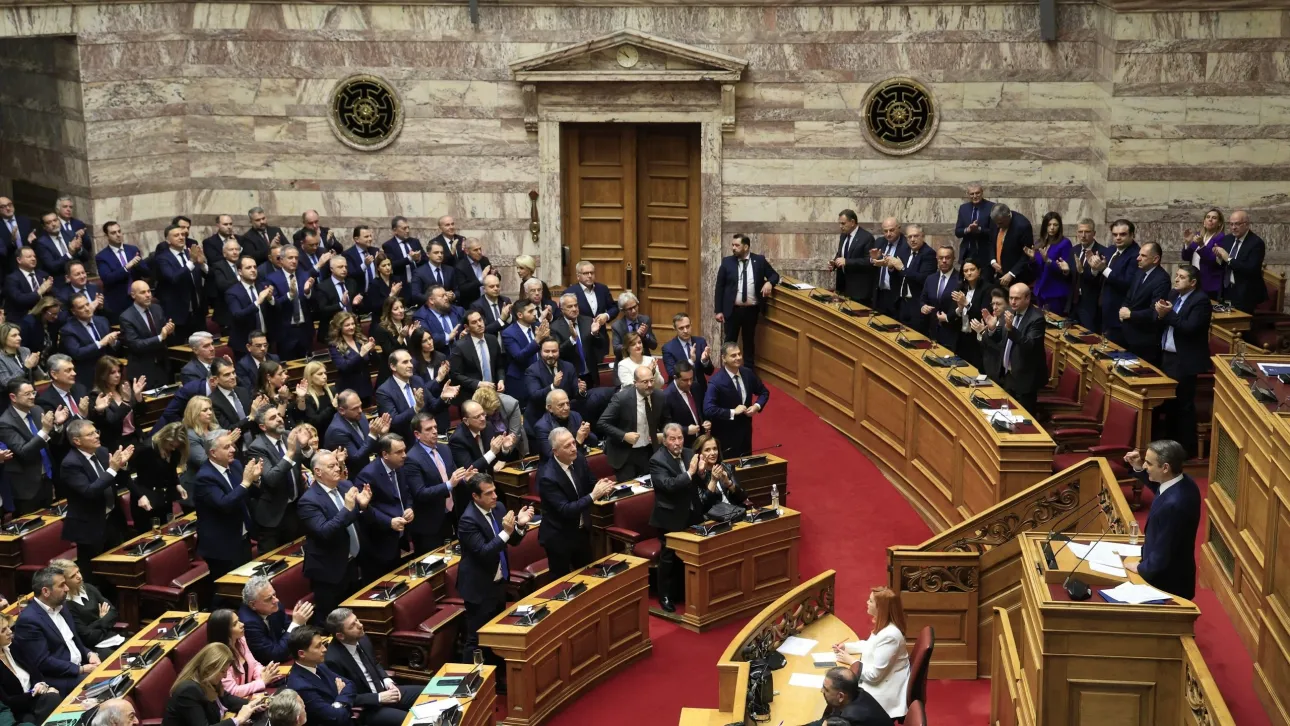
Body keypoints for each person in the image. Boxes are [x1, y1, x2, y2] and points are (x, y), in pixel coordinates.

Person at [455, 474, 533, 666]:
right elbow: (485, 552)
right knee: (476, 639)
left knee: (495, 635)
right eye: (489, 493)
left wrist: (519, 526)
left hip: (499, 582)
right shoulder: (467, 521)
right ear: (475, 496)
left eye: (494, 491)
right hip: (479, 587)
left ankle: (495, 675)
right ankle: (469, 683)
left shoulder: (498, 508)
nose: (495, 496)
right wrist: (507, 531)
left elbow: (511, 541)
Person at [298, 450, 371, 626]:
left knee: (352, 616)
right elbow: (324, 531)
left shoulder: (345, 486)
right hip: (328, 571)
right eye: (331, 466)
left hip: (351, 562)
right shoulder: (308, 501)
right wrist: (347, 509)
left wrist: (362, 507)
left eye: (337, 464)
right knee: (333, 622)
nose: (337, 469)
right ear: (318, 472)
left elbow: (352, 519)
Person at [1124, 441, 1201, 599]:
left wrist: (1140, 568)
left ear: (1165, 467)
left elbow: (1164, 551)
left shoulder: (1175, 505)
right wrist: (1138, 467)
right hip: (1171, 572)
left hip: (1166, 583)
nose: (1145, 466)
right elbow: (1159, 488)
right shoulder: (1184, 483)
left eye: (1148, 463)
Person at [60, 419, 135, 582]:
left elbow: (117, 481)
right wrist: (112, 469)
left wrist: (121, 466)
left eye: (96, 432)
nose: (96, 436)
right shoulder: (70, 464)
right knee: (94, 575)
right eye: (90, 434)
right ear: (77, 441)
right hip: (89, 527)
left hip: (112, 520)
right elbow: (90, 491)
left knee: (117, 569)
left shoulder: (102, 451)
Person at [648, 424, 712, 612]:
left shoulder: (688, 453)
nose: (677, 443)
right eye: (672, 439)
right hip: (670, 517)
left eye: (680, 438)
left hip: (692, 513)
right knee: (668, 558)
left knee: (693, 554)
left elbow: (698, 483)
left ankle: (688, 592)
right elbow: (668, 485)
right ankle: (665, 596)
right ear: (665, 440)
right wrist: (691, 473)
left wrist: (700, 472)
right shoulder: (657, 460)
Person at [538, 427, 615, 577]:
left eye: (573, 442)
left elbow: (591, 482)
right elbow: (565, 510)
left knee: (588, 575)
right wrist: (594, 495)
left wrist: (604, 487)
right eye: (567, 446)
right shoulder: (547, 477)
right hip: (559, 537)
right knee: (562, 583)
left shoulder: (578, 459)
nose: (574, 448)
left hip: (581, 531)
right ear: (555, 451)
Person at [323, 608, 420, 725]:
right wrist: (379, 698)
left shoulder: (362, 638)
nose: (360, 625)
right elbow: (344, 696)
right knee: (413, 721)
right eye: (352, 625)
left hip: (386, 691)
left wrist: (387, 680)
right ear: (341, 636)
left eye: (357, 620)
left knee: (431, 693)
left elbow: (374, 663)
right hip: (368, 707)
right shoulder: (333, 660)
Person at [12, 566, 98, 695]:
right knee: (98, 684)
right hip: (60, 678)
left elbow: (74, 640)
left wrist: (89, 654)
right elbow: (43, 662)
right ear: (46, 591)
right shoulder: (29, 621)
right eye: (62, 585)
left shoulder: (62, 606)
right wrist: (81, 669)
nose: (67, 589)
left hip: (81, 665)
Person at [1155, 265, 1212, 458]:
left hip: (1185, 359)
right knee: (1169, 403)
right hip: (1167, 356)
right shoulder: (1173, 295)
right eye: (1176, 276)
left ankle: (1186, 449)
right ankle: (1170, 447)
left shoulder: (1201, 301)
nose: (1176, 279)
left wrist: (1168, 314)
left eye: (1181, 277)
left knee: (1183, 405)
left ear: (1193, 282)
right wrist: (1159, 313)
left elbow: (1189, 328)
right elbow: (1164, 319)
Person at [195, 429, 263, 586]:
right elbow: (224, 504)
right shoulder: (205, 477)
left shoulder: (236, 465)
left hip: (242, 538)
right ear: (213, 452)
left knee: (246, 587)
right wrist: (246, 482)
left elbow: (248, 493)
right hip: (221, 546)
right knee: (226, 590)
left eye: (232, 445)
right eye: (226, 447)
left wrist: (255, 480)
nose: (233, 449)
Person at [832, 587, 912, 719]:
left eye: (870, 601)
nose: (867, 603)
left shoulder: (890, 636)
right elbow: (870, 646)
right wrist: (846, 647)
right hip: (881, 682)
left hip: (883, 694)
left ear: (880, 608)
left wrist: (851, 661)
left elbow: (874, 676)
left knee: (840, 694)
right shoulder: (885, 626)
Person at [162, 642, 266, 726]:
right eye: (223, 671)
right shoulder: (188, 690)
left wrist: (254, 705)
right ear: (209, 668)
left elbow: (227, 699)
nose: (225, 676)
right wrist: (238, 720)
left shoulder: (209, 679)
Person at [0, 379, 65, 514]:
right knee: (32, 528)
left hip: (46, 478)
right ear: (13, 397)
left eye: (33, 392)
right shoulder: (5, 422)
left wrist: (57, 426)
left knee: (51, 522)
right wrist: (45, 430)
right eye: (27, 394)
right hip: (26, 487)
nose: (32, 397)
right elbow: (24, 452)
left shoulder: (36, 410)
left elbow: (53, 442)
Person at [355, 435, 415, 579]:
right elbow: (365, 509)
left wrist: (409, 507)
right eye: (399, 452)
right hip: (379, 541)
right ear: (385, 454)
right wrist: (389, 522)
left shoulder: (399, 467)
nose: (404, 455)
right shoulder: (367, 475)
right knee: (384, 582)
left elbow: (406, 492)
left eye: (404, 450)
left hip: (399, 534)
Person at [714, 233, 779, 365]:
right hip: (732, 310)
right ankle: (726, 370)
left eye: (737, 245)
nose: (733, 248)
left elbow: (774, 275)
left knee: (749, 341)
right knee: (730, 341)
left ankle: (749, 372)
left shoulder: (759, 260)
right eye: (732, 245)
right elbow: (719, 287)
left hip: (751, 310)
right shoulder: (727, 262)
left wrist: (769, 283)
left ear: (746, 247)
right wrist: (718, 310)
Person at [247, 406, 305, 551]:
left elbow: (305, 462)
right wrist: (290, 453)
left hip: (295, 508)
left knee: (298, 553)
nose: (279, 419)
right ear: (262, 426)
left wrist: (306, 448)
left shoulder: (288, 436)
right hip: (272, 516)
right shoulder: (257, 447)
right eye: (273, 418)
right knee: (274, 563)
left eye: (279, 415)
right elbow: (271, 478)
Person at [404, 413, 464, 552]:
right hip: (429, 524)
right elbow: (420, 493)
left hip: (450, 515)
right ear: (417, 434)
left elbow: (453, 474)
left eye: (435, 427)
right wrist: (449, 484)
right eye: (429, 429)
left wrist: (465, 477)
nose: (435, 431)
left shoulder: (444, 448)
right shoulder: (412, 458)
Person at [597, 366, 666, 480]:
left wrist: (663, 433)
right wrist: (624, 436)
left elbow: (666, 420)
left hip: (649, 451)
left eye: (651, 380)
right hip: (625, 454)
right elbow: (602, 423)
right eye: (645, 382)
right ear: (635, 383)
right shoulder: (621, 398)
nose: (649, 385)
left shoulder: (659, 396)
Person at [703, 343, 769, 459]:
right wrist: (733, 412)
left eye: (739, 354)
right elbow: (708, 409)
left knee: (745, 468)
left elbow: (764, 392)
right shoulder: (716, 382)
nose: (738, 358)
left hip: (745, 433)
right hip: (726, 436)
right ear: (724, 358)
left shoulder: (747, 373)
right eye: (733, 355)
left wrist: (756, 406)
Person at [284, 626, 360, 726]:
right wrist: (340, 698)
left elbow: (350, 685)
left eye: (323, 643)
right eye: (318, 646)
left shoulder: (319, 665)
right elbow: (335, 718)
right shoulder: (300, 686)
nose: (324, 649)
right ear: (302, 654)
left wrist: (335, 704)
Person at [49, 559, 120, 659]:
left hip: (113, 637)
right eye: (73, 576)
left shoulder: (89, 588)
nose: (79, 576)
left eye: (78, 571)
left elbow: (113, 613)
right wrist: (103, 621)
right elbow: (87, 637)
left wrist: (95, 625)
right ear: (64, 582)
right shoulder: (67, 605)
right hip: (94, 649)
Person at [237, 576, 314, 666]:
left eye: (274, 594)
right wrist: (296, 624)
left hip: (286, 652)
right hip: (269, 667)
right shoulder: (249, 623)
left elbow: (287, 629)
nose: (276, 600)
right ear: (253, 605)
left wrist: (298, 624)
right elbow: (275, 654)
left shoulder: (274, 606)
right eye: (269, 599)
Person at [1117, 241, 1171, 366]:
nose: (1138, 258)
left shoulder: (1162, 279)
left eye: (1143, 256)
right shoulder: (1140, 272)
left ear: (1155, 259)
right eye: (1139, 254)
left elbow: (1154, 311)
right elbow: (1129, 296)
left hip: (1145, 339)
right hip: (1128, 333)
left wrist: (1130, 315)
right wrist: (1123, 308)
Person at [994, 283, 1046, 414]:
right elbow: (1000, 339)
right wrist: (991, 329)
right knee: (1006, 415)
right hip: (1008, 375)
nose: (1012, 301)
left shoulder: (1037, 318)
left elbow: (1029, 345)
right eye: (1011, 298)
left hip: (1025, 380)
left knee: (1023, 420)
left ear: (1027, 298)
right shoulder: (1010, 311)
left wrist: (1011, 329)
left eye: (1017, 298)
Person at [0, 612, 59, 724]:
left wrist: (41, 685)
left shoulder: (13, 646)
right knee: (31, 719)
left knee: (53, 698)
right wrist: (35, 693)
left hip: (35, 700)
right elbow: (7, 701)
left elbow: (35, 673)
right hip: (17, 711)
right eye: (3, 630)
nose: (10, 631)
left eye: (8, 627)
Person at [1090, 219, 1141, 347]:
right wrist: (1094, 268)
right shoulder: (1111, 250)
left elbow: (1126, 282)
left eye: (1122, 234)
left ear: (1132, 235)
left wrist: (1103, 269)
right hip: (1103, 310)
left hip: (1119, 314)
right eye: (1115, 234)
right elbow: (1100, 276)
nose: (1118, 238)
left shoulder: (1136, 254)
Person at [153, 224, 208, 343]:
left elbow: (209, 276)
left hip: (197, 311)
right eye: (176, 235)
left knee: (203, 345)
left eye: (183, 234)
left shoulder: (191, 253)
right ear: (168, 240)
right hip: (177, 314)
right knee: (179, 349)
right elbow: (173, 278)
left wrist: (202, 264)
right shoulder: (162, 258)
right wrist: (191, 262)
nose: (181, 237)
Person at [131, 422, 189, 533]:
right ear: (163, 437)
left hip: (164, 499)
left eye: (176, 446)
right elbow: (126, 476)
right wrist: (140, 495)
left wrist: (177, 484)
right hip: (146, 502)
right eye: (171, 445)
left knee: (169, 532)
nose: (173, 449)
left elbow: (170, 469)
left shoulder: (175, 450)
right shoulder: (145, 449)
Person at [206, 608, 276, 698]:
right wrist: (262, 682)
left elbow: (254, 664)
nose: (242, 624)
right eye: (235, 624)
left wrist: (263, 673)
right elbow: (232, 691)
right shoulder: (218, 658)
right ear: (223, 631)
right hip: (235, 704)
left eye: (238, 620)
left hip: (251, 694)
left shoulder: (240, 640)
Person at [266, 245, 316, 361]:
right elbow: (274, 305)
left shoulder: (305, 275)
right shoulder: (272, 278)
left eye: (296, 258)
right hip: (285, 333)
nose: (294, 261)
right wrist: (289, 295)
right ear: (281, 260)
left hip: (305, 330)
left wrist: (308, 292)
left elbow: (314, 303)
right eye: (290, 258)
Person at [324, 391, 390, 474]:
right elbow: (356, 458)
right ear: (341, 410)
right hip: (352, 475)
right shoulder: (337, 431)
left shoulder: (360, 416)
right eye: (355, 408)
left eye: (360, 406)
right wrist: (373, 434)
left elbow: (370, 446)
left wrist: (380, 434)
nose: (360, 410)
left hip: (368, 467)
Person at [60, 292, 118, 386]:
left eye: (87, 304)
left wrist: (113, 343)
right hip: (87, 377)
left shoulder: (102, 321)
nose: (87, 309)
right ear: (74, 311)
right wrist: (100, 343)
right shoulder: (68, 330)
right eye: (81, 307)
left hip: (108, 373)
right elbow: (77, 353)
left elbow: (112, 348)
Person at [89, 356, 146, 452]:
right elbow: (112, 422)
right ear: (103, 375)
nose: (117, 375)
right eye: (112, 372)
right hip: (117, 444)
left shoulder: (124, 388)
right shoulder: (97, 395)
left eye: (119, 371)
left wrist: (138, 396)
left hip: (135, 438)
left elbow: (142, 414)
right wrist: (126, 402)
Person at [1216, 209, 1267, 313]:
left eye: (1237, 224)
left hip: (1245, 293)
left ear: (1247, 224)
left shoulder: (1256, 243)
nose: (1233, 227)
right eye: (1231, 224)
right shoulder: (1227, 239)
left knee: (1240, 325)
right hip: (1226, 289)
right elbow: (1223, 266)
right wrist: (1219, 258)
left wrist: (1228, 259)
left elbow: (1251, 269)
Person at [804, 667, 890, 726]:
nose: (821, 690)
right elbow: (827, 719)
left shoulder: (850, 719)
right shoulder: (857, 693)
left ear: (841, 696)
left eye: (826, 689)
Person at [450, 310, 505, 402]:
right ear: (467, 327)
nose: (479, 324)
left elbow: (500, 366)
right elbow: (456, 375)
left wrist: (501, 380)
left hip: (493, 393)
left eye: (480, 320)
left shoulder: (492, 340)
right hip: (472, 395)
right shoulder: (460, 346)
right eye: (474, 322)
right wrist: (478, 383)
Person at [501, 300, 549, 401]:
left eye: (535, 310)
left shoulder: (538, 326)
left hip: (541, 377)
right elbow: (519, 357)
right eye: (530, 311)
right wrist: (537, 340)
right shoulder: (508, 333)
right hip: (521, 379)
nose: (535, 313)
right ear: (520, 315)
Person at [525, 336, 580, 423]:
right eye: (547, 351)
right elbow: (535, 396)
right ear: (540, 352)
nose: (550, 355)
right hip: (542, 417)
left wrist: (581, 391)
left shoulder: (568, 367)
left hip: (566, 416)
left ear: (559, 351)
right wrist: (553, 386)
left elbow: (575, 394)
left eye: (554, 351)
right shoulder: (532, 370)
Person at [1029, 212, 1076, 314]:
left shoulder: (1065, 243)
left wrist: (1048, 260)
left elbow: (1065, 271)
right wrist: (1032, 259)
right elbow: (1037, 271)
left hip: (1055, 293)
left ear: (1060, 227)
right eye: (1049, 225)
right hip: (1040, 292)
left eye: (1055, 225)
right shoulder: (1039, 243)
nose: (1052, 228)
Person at [533, 389, 598, 463]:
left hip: (579, 463)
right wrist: (578, 441)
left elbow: (594, 442)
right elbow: (551, 456)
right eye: (561, 405)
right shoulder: (542, 427)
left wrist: (587, 434)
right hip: (556, 470)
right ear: (550, 408)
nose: (566, 408)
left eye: (568, 403)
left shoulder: (575, 416)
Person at [830, 209, 879, 306]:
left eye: (843, 223)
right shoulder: (843, 236)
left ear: (852, 222)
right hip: (843, 287)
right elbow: (841, 254)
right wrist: (834, 263)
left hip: (859, 290)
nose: (841, 226)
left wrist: (847, 262)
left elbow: (869, 261)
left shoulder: (866, 237)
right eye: (840, 223)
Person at [690, 433, 749, 514]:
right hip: (714, 518)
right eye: (707, 450)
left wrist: (728, 483)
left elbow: (743, 497)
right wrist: (713, 481)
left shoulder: (727, 467)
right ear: (699, 454)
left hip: (736, 512)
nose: (713, 453)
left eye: (715, 449)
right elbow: (703, 507)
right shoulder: (695, 474)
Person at [661, 313, 713, 403]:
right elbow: (672, 373)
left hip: (701, 389)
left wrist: (705, 361)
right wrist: (690, 361)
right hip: (680, 392)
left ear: (691, 325)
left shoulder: (700, 342)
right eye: (681, 328)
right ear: (675, 329)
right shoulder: (668, 348)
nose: (685, 330)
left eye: (687, 326)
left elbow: (710, 372)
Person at [328, 312, 377, 404]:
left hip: (365, 388)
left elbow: (376, 363)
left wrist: (372, 351)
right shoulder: (334, 346)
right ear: (339, 327)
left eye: (353, 324)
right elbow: (343, 367)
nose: (351, 327)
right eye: (347, 325)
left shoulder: (361, 339)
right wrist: (361, 354)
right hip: (348, 391)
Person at [919, 245, 961, 350]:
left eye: (947, 258)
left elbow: (960, 307)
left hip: (952, 332)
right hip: (932, 332)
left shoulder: (960, 280)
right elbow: (922, 300)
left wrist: (948, 317)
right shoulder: (931, 279)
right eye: (941, 258)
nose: (944, 261)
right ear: (937, 259)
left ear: (953, 259)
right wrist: (923, 306)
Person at [1180, 208, 1228, 298]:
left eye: (1214, 218)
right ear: (1204, 221)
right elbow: (1185, 257)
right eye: (1208, 217)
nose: (1210, 219)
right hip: (1193, 280)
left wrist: (1201, 245)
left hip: (1209, 283)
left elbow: (1213, 260)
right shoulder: (1199, 234)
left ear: (1219, 223)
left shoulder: (1221, 238)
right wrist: (1187, 243)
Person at [951, 260, 991, 371]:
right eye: (965, 271)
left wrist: (967, 304)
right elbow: (951, 315)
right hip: (961, 337)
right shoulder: (959, 289)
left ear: (979, 271)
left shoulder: (987, 289)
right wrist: (959, 309)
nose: (969, 273)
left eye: (972, 270)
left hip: (976, 339)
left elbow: (983, 316)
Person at [314, 257, 362, 346]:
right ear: (331, 269)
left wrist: (356, 303)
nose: (344, 269)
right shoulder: (323, 287)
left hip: (352, 330)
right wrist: (341, 304)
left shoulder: (351, 283)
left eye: (345, 267)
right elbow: (322, 310)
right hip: (332, 332)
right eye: (340, 267)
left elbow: (356, 308)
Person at [987, 203, 1035, 288]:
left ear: (1008, 216)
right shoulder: (995, 219)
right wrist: (993, 260)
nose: (998, 226)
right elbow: (991, 241)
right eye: (996, 223)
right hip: (998, 275)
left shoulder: (1023, 226)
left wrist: (1012, 273)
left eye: (1000, 223)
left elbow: (1027, 255)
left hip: (1018, 277)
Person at [371, 297, 416, 387]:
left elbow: (411, 350)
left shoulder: (407, 323)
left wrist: (413, 336)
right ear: (389, 311)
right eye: (396, 309)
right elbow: (390, 354)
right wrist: (401, 337)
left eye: (401, 307)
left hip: (407, 371)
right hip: (390, 373)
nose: (400, 311)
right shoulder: (382, 329)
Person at [1071, 219, 1106, 332]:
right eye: (1080, 232)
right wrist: (1065, 270)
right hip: (1073, 302)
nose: (1083, 235)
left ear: (1094, 233)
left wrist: (1085, 271)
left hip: (1091, 304)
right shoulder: (1073, 250)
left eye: (1087, 232)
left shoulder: (1102, 252)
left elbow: (1099, 280)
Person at [871, 219, 909, 318]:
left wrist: (891, 267)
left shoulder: (906, 245)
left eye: (891, 230)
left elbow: (906, 270)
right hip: (879, 294)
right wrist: (873, 259)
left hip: (896, 295)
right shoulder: (879, 242)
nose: (888, 234)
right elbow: (873, 263)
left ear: (899, 228)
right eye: (885, 231)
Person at [183, 396, 221, 494]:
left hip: (219, 478)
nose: (210, 412)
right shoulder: (190, 435)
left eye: (210, 409)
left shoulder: (215, 428)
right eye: (205, 410)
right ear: (194, 414)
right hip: (201, 484)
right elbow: (204, 461)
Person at [954, 183, 994, 276]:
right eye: (972, 194)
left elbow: (994, 232)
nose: (975, 196)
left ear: (982, 193)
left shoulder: (991, 207)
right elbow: (958, 232)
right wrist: (968, 230)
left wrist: (979, 229)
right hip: (967, 254)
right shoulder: (963, 208)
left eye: (977, 193)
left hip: (985, 255)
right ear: (968, 194)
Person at [413, 284, 465, 354]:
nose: (446, 298)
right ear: (431, 300)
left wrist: (466, 333)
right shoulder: (421, 316)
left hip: (462, 354)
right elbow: (426, 338)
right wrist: (448, 337)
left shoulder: (458, 311)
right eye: (442, 296)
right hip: (439, 358)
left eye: (446, 295)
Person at [973, 287, 1010, 384]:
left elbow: (999, 348)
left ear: (1008, 304)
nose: (994, 307)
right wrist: (982, 333)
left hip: (999, 373)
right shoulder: (995, 318)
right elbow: (986, 345)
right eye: (993, 304)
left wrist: (983, 332)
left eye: (998, 304)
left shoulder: (1007, 322)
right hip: (988, 368)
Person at [3, 248, 51, 321]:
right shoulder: (12, 278)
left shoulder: (43, 274)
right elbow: (19, 299)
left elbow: (53, 295)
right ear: (19, 260)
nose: (33, 259)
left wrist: (49, 291)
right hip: (21, 317)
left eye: (34, 256)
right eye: (29, 257)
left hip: (43, 316)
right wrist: (39, 292)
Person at [565, 261, 618, 326]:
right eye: (586, 273)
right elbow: (565, 315)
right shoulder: (569, 292)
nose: (590, 276)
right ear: (578, 276)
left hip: (600, 333)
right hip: (581, 333)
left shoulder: (602, 289)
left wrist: (606, 315)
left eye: (592, 273)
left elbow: (614, 308)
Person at [609, 291, 656, 360]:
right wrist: (636, 335)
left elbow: (654, 346)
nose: (633, 311)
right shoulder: (617, 326)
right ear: (623, 311)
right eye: (629, 309)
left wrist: (645, 335)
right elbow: (616, 350)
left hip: (643, 360)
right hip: (626, 360)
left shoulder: (645, 320)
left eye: (635, 306)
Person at [294, 361, 337, 433]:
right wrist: (332, 407)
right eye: (320, 374)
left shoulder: (332, 391)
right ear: (310, 377)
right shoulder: (307, 398)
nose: (324, 376)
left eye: (325, 373)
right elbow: (314, 422)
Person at [453, 238, 491, 307]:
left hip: (488, 300)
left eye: (480, 249)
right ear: (467, 251)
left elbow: (495, 276)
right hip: (471, 304)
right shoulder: (460, 266)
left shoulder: (484, 260)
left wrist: (495, 274)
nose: (479, 252)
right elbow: (463, 289)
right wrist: (481, 279)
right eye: (475, 250)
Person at [0, 323, 38, 390]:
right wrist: (25, 368)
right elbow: (6, 383)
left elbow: (39, 377)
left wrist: (35, 366)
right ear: (3, 338)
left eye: (19, 335)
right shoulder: (1, 358)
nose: (19, 338)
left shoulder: (25, 351)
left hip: (30, 392)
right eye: (14, 336)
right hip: (10, 397)